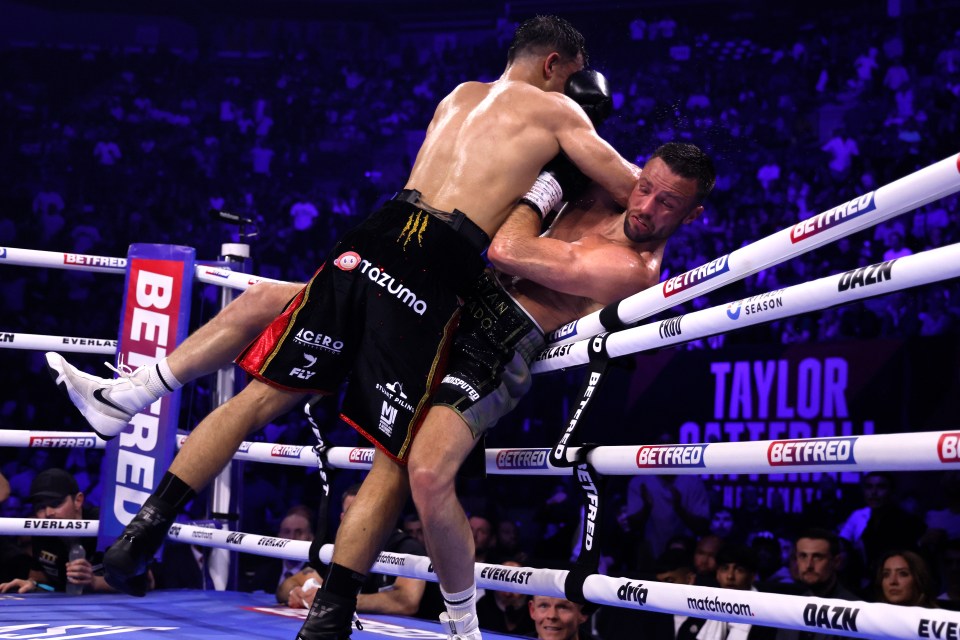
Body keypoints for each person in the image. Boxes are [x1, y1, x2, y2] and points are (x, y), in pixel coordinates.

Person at [48, 130, 711, 640]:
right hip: (441, 307)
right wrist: (568, 166)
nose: (646, 205)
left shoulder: (632, 268)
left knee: (421, 472)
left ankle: (460, 620)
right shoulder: (609, 189)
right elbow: (571, 167)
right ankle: (131, 394)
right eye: (645, 185)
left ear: (692, 213)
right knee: (264, 303)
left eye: (667, 202)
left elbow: (507, 250)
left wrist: (544, 184)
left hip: (492, 347)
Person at [280, 483, 441, 620]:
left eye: (363, 513)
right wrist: (296, 593)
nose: (357, 519)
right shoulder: (342, 550)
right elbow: (288, 584)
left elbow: (406, 602)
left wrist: (334, 600)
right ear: (342, 518)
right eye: (351, 513)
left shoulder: (406, 548)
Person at [0, 468, 135, 594]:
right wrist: (32, 584)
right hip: (64, 612)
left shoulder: (106, 526)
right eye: (40, 507)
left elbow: (143, 579)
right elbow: (40, 578)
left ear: (78, 500)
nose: (48, 513)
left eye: (55, 504)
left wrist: (95, 582)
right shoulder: (41, 530)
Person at [773, 529, 858, 640]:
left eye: (817, 557)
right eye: (803, 556)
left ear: (836, 562)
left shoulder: (854, 612)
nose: (809, 565)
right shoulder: (790, 609)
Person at [475, 560, 535, 636]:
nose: (507, 594)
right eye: (503, 586)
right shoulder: (482, 606)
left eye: (514, 586)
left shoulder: (537, 607)